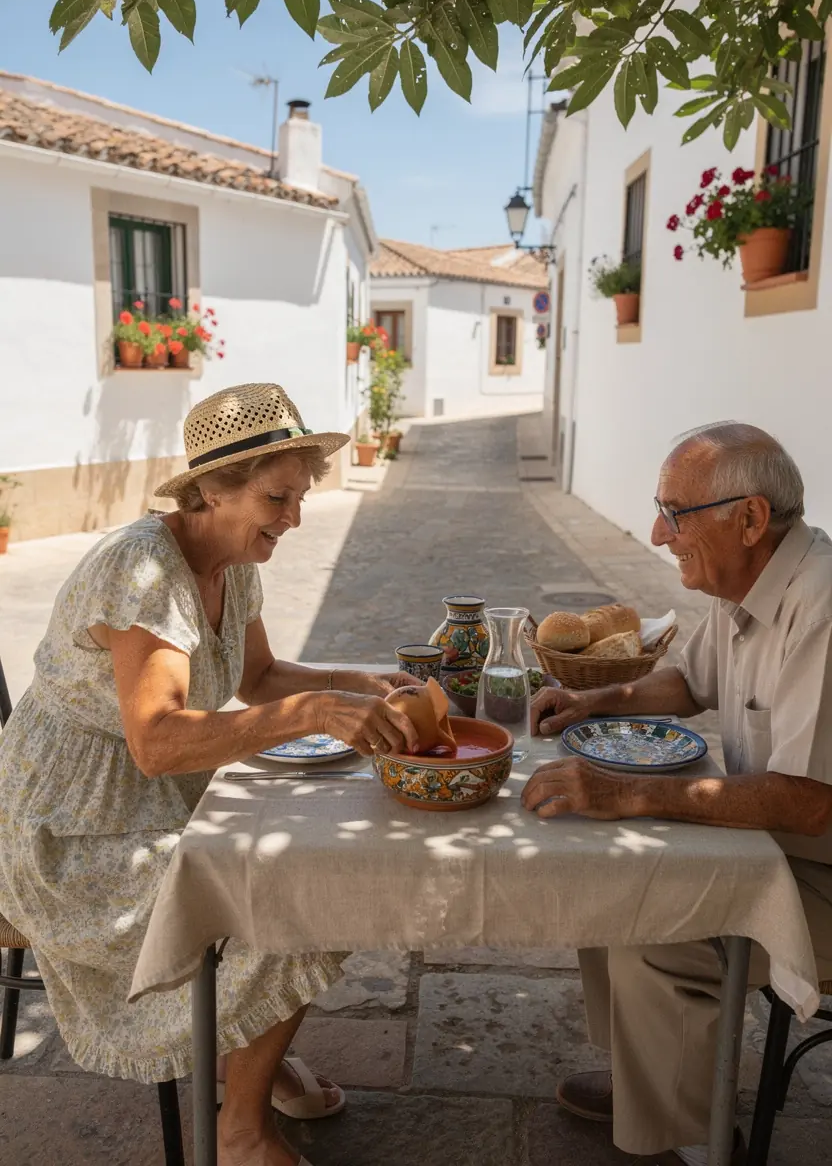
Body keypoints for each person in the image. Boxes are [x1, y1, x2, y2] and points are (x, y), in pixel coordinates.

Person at [0, 383, 420, 1166]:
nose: (291, 518)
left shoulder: (234, 556)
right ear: (210, 490)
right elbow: (156, 741)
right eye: (276, 497)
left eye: (299, 497)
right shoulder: (142, 573)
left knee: (305, 858)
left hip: (156, 801)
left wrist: (359, 685)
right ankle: (239, 1129)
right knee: (296, 892)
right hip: (69, 830)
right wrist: (316, 714)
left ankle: (245, 1053)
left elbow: (257, 677)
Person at [523, 421, 832, 1166]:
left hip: (821, 873)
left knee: (651, 920)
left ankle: (693, 1133)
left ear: (749, 518)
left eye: (675, 512)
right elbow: (690, 680)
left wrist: (631, 794)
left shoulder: (820, 604)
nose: (660, 534)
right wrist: (597, 701)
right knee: (606, 872)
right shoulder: (751, 580)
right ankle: (648, 1079)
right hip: (777, 847)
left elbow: (811, 804)